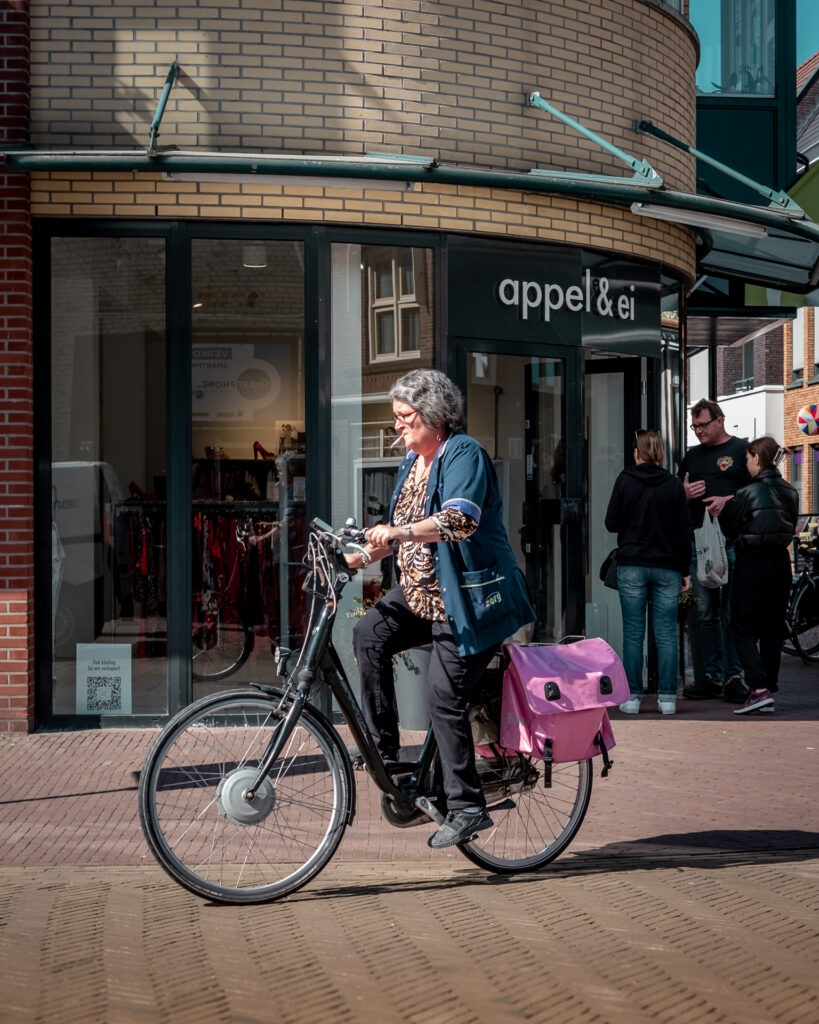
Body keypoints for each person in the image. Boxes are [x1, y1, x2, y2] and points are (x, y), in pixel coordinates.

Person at [346, 369, 535, 849]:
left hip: (469, 603)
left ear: (433, 414)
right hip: (421, 596)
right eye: (395, 418)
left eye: (404, 417)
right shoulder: (413, 462)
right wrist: (362, 556)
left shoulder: (463, 453)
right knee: (369, 635)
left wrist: (398, 534)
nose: (397, 427)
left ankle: (468, 807)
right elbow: (402, 531)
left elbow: (458, 520)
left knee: (442, 696)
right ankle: (383, 755)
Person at [605, 430, 692, 715]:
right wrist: (685, 570)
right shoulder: (674, 485)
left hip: (632, 564)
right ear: (660, 453)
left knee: (633, 633)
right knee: (666, 633)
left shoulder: (625, 480)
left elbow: (611, 523)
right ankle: (667, 699)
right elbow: (684, 533)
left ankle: (632, 698)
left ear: (637, 452)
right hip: (667, 567)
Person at [716, 436, 798, 715]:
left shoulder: (746, 492)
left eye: (749, 458)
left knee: (743, 627)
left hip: (752, 562)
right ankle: (767, 689)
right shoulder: (790, 491)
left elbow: (730, 528)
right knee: (773, 628)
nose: (746, 463)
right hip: (780, 562)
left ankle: (758, 688)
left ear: (757, 458)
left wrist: (726, 508)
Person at [678, 399, 752, 703]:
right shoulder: (692, 456)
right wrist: (682, 494)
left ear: (719, 421)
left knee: (731, 612)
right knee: (707, 612)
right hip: (701, 545)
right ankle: (711, 676)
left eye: (703, 425)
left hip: (732, 541)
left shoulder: (740, 450)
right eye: (694, 426)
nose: (698, 431)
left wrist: (728, 500)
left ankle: (735, 676)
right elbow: (673, 493)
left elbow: (755, 492)